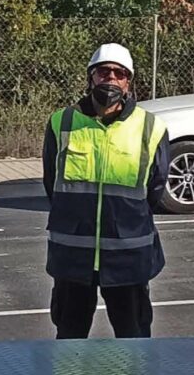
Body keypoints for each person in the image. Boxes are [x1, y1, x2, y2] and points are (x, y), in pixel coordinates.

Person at [43, 43, 169, 339]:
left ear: (128, 82)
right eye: (103, 72)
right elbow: (52, 183)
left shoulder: (151, 127)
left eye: (119, 73)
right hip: (73, 260)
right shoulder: (62, 122)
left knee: (133, 340)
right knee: (69, 342)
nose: (111, 78)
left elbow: (156, 188)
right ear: (91, 77)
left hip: (127, 260)